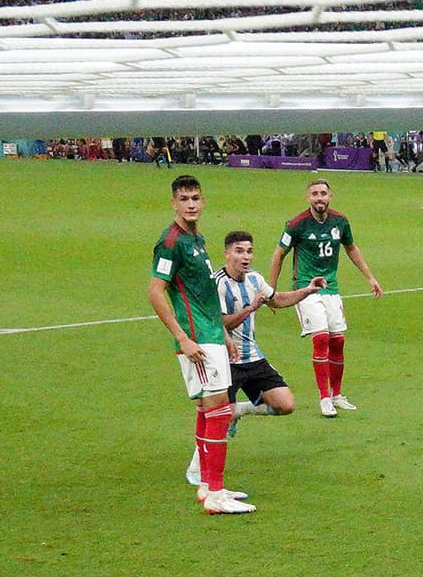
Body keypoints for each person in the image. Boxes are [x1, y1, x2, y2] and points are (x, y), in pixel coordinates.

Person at [185, 231, 329, 488]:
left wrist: (308, 290)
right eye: (240, 251)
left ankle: (239, 410)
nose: (246, 256)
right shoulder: (216, 283)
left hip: (253, 358)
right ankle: (197, 467)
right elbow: (219, 323)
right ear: (227, 253)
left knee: (286, 405)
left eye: (249, 251)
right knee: (213, 416)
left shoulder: (254, 279)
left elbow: (278, 299)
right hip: (224, 359)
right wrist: (250, 308)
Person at [148, 175, 253, 514]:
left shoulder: (198, 238)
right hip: (196, 339)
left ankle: (208, 485)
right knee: (219, 408)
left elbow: (204, 294)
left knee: (211, 407)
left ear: (203, 201)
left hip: (211, 333)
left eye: (195, 197)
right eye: (184, 198)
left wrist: (222, 334)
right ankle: (215, 493)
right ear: (173, 203)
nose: (191, 204)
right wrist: (182, 337)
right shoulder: (171, 242)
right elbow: (155, 291)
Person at [269, 178, 383, 418]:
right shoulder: (297, 224)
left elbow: (351, 248)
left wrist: (370, 277)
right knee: (320, 338)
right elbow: (279, 254)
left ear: (330, 196)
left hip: (331, 288)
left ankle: (337, 395)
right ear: (308, 197)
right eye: (314, 194)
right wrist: (272, 291)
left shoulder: (340, 221)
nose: (319, 198)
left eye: (323, 193)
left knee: (338, 341)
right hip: (306, 288)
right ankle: (324, 398)